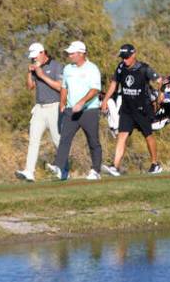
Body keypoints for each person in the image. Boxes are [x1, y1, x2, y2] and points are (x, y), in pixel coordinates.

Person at [102, 44, 163, 176]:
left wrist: (160, 96)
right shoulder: (120, 68)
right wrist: (106, 99)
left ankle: (155, 164)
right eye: (123, 57)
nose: (125, 60)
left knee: (148, 135)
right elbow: (114, 83)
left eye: (127, 57)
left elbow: (160, 80)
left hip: (142, 109)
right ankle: (115, 166)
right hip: (127, 109)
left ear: (134, 55)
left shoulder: (144, 69)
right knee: (122, 135)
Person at [54, 41, 103, 181]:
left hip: (89, 110)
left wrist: (82, 102)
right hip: (71, 110)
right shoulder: (68, 69)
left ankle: (96, 170)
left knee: (93, 141)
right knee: (64, 138)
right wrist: (62, 103)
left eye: (72, 53)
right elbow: (64, 87)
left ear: (81, 53)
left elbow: (95, 89)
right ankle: (59, 167)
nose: (69, 55)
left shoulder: (92, 68)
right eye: (69, 53)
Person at [15, 42, 64, 182]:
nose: (33, 59)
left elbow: (60, 87)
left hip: (54, 107)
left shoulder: (56, 66)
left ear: (43, 53)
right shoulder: (35, 67)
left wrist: (41, 75)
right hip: (39, 108)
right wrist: (30, 73)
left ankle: (63, 169)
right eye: (32, 57)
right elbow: (30, 87)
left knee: (57, 140)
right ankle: (29, 171)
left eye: (35, 56)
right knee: (33, 140)